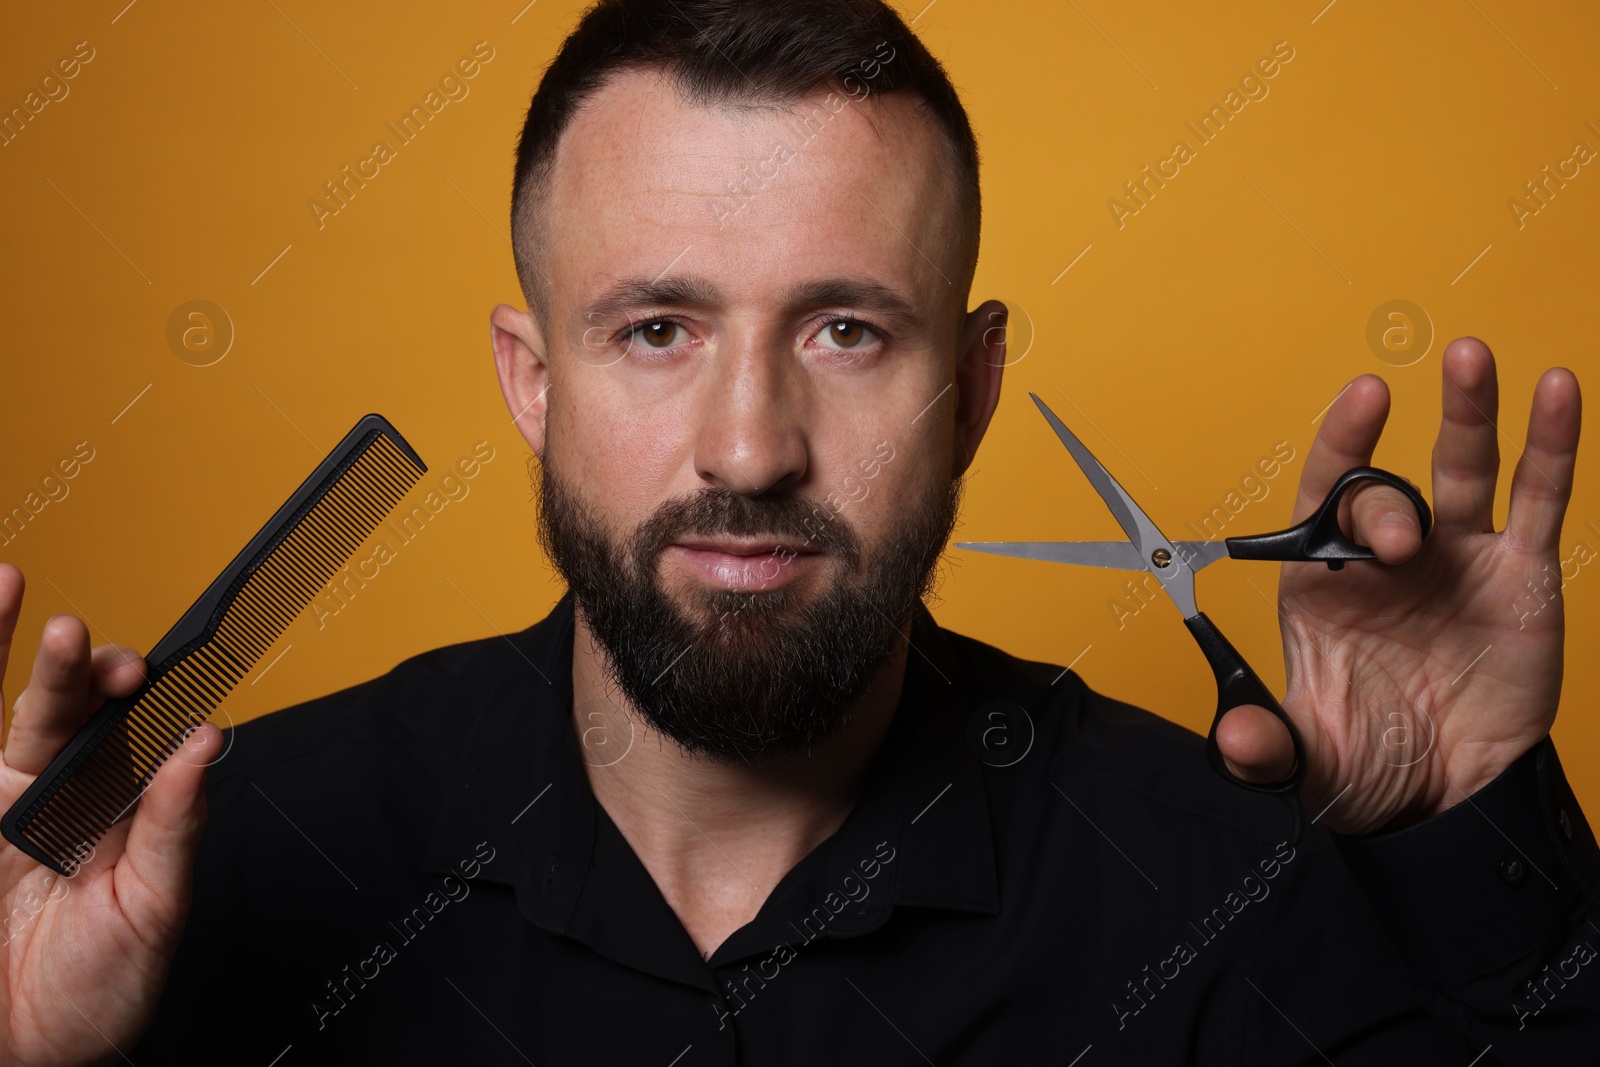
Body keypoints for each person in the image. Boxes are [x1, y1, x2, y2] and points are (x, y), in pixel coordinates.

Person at [0, 0, 1592, 1062]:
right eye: (655, 331)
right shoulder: (217, 873)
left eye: (847, 332)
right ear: (530, 382)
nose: (750, 449)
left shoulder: (1218, 882)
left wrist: (1470, 841)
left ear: (971, 387)